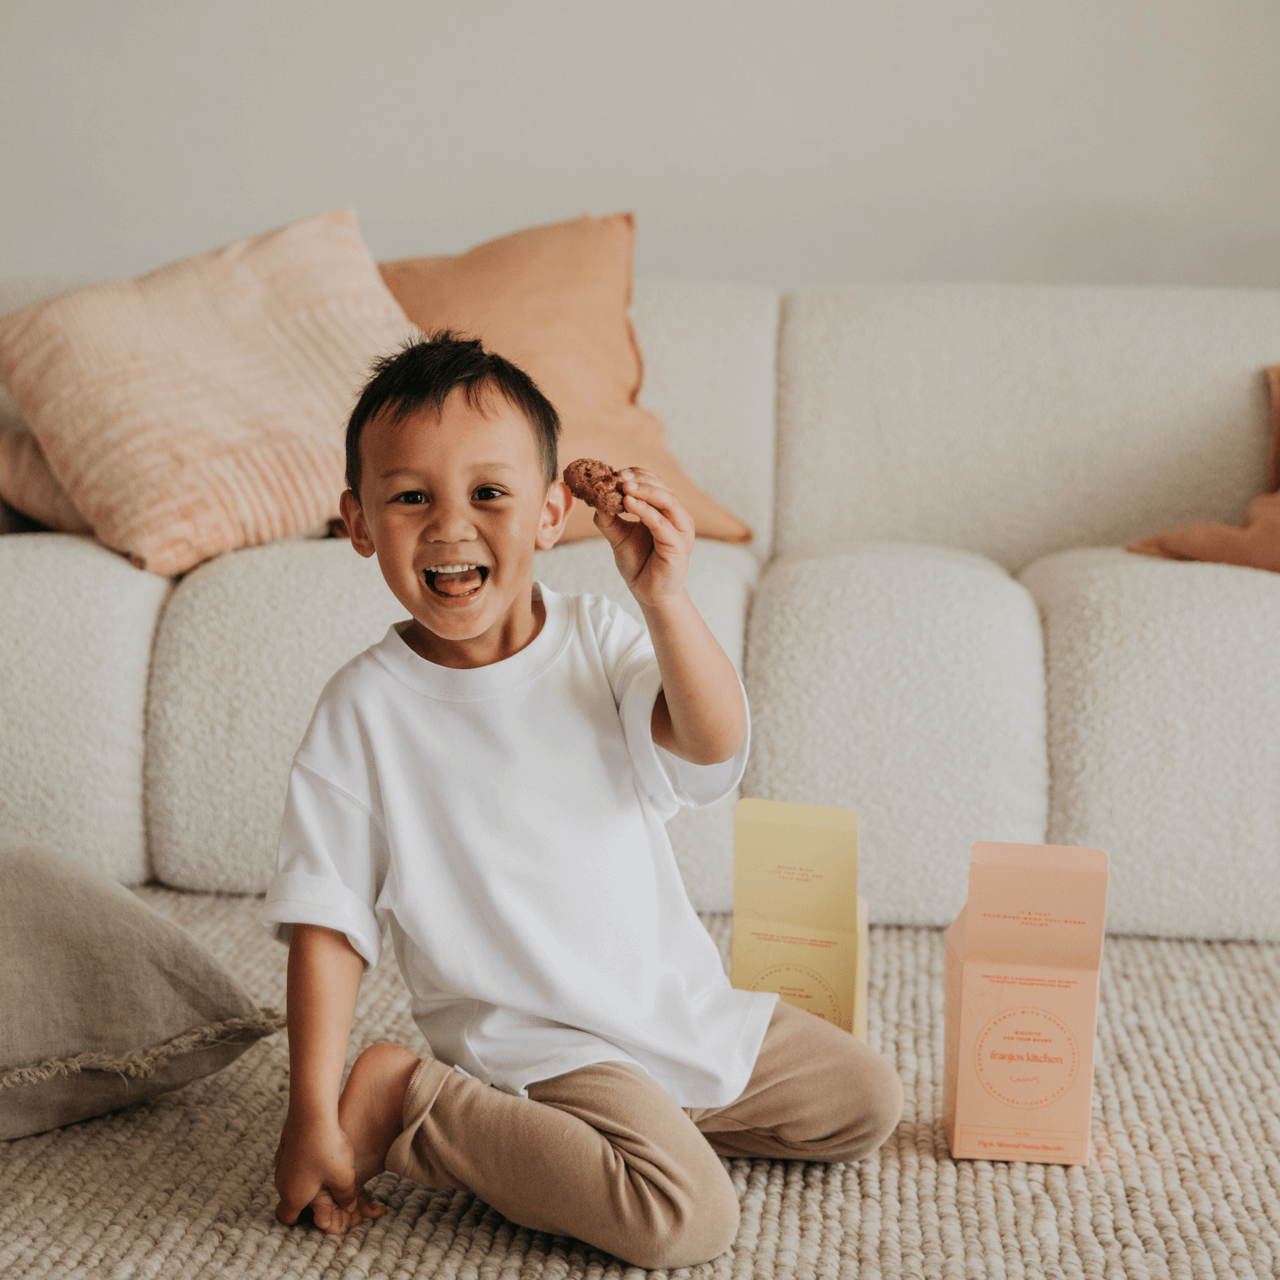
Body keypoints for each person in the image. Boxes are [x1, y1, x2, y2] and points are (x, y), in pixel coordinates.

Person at [263, 333, 903, 1269]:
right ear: (359, 523)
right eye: (411, 498)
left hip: (664, 998)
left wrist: (667, 602)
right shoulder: (362, 711)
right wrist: (312, 1112)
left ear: (552, 513)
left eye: (489, 493)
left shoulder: (599, 637)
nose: (450, 525)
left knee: (864, 1101)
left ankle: (637, 1123)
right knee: (684, 1219)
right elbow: (328, 923)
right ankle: (410, 1101)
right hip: (540, 1036)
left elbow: (711, 741)